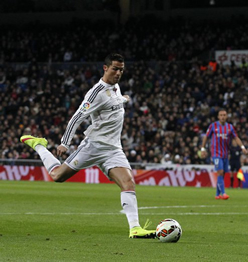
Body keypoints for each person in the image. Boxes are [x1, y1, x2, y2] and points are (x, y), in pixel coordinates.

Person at [20, 53, 155, 239]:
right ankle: (39, 145)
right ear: (105, 68)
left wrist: (124, 99)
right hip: (94, 146)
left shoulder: (115, 87)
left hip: (113, 149)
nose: (118, 73)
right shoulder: (95, 93)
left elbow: (112, 102)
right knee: (57, 176)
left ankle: (135, 229)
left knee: (128, 183)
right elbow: (77, 117)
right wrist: (64, 143)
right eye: (115, 69)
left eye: (121, 70)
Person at [200, 109, 247, 199]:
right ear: (218, 117)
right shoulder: (213, 126)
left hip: (225, 154)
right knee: (220, 172)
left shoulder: (230, 127)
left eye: (224, 115)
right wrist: (202, 148)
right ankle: (224, 193)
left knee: (222, 173)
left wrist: (242, 147)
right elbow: (206, 137)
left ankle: (217, 194)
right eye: (221, 115)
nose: (222, 117)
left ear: (227, 116)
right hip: (216, 153)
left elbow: (236, 138)